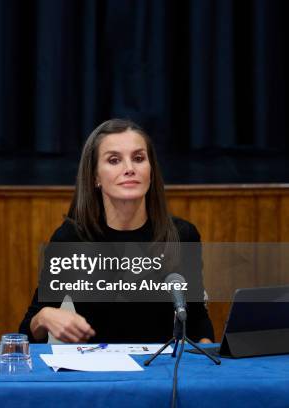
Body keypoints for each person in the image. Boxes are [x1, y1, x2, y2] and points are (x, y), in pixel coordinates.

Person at [19, 118, 214, 344]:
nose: (129, 169)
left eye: (139, 158)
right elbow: (26, 334)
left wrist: (204, 353)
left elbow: (198, 321)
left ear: (151, 171)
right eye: (114, 160)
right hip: (95, 372)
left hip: (160, 372)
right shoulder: (71, 238)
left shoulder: (182, 235)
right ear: (95, 177)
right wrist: (44, 317)